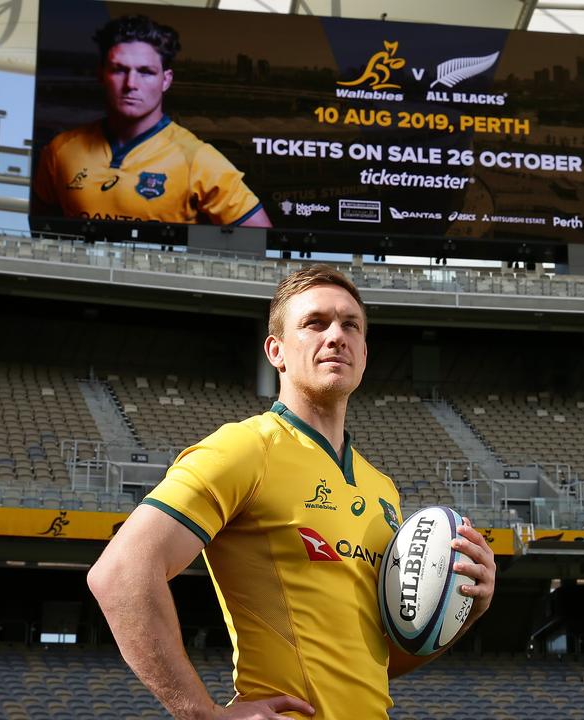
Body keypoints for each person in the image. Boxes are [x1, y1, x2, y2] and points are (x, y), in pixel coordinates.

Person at [87, 264, 496, 720]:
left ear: (364, 352)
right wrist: (202, 713)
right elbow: (120, 573)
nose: (337, 335)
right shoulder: (245, 448)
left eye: (351, 325)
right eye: (315, 323)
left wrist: (465, 610)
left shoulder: (382, 489)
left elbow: (375, 662)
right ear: (276, 350)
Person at [32, 15, 271, 228]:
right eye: (119, 70)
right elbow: (39, 230)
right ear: (101, 73)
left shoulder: (198, 160)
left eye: (145, 71)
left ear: (166, 80)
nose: (131, 84)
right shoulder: (60, 150)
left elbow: (262, 242)